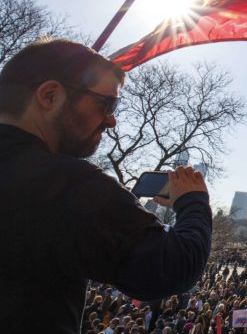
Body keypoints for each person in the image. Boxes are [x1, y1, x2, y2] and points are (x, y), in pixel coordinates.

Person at [0, 38, 213, 333]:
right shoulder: (65, 183)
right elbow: (175, 266)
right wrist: (193, 200)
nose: (111, 121)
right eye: (106, 104)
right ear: (50, 96)